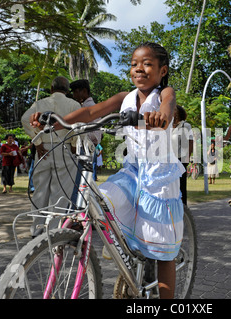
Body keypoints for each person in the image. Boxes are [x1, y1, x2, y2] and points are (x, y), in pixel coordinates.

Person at [29, 43, 181, 299]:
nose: (139, 69)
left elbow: (168, 105)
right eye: (134, 64)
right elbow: (89, 112)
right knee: (101, 200)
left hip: (159, 178)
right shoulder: (125, 98)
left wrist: (161, 116)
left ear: (162, 70)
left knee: (163, 251)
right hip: (132, 171)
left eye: (147, 64)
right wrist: (55, 120)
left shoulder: (164, 92)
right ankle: (93, 244)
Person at [21, 76, 81, 237]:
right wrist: (74, 144)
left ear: (51, 89)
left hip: (44, 149)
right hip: (64, 147)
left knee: (40, 190)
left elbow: (25, 119)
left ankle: (37, 228)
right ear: (67, 90)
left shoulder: (39, 104)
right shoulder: (73, 104)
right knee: (61, 191)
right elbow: (77, 126)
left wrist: (38, 141)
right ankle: (53, 229)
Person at [70, 79, 102, 181]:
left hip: (86, 147)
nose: (74, 96)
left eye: (75, 92)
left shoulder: (86, 108)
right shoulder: (90, 106)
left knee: (79, 181)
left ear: (84, 91)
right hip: (90, 146)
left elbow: (79, 130)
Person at [171, 104, 193, 205]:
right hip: (168, 159)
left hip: (180, 159)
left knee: (181, 185)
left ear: (179, 113)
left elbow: (190, 142)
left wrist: (187, 158)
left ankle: (183, 209)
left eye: (173, 110)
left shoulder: (185, 126)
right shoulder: (167, 125)